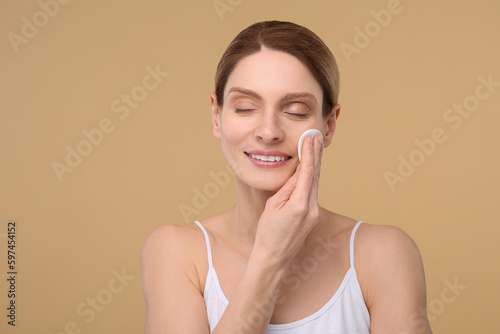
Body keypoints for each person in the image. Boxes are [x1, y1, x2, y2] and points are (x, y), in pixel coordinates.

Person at [140, 20, 432, 333]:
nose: (268, 132)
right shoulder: (177, 251)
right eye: (245, 107)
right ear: (216, 116)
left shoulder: (384, 253)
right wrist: (271, 256)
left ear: (329, 125)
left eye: (294, 110)